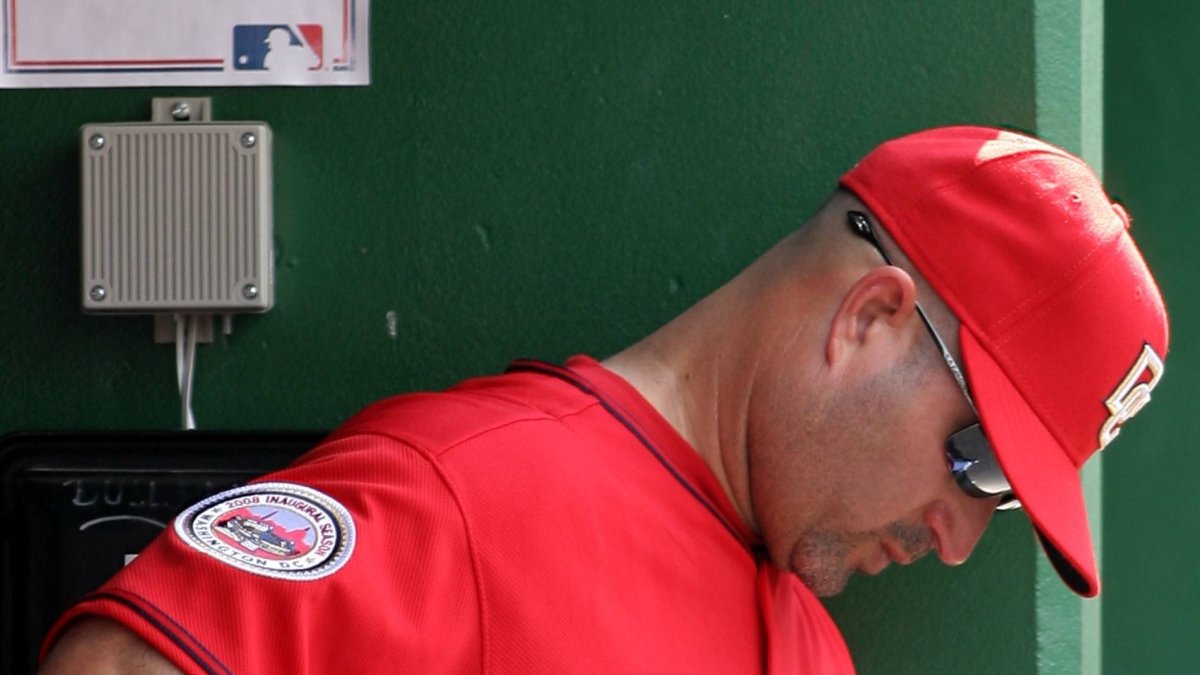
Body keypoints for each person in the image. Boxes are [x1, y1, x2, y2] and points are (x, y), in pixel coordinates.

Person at [37, 126, 1169, 674]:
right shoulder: (471, 495)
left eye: (1007, 498)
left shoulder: (812, 643)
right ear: (870, 317)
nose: (960, 535)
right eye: (974, 458)